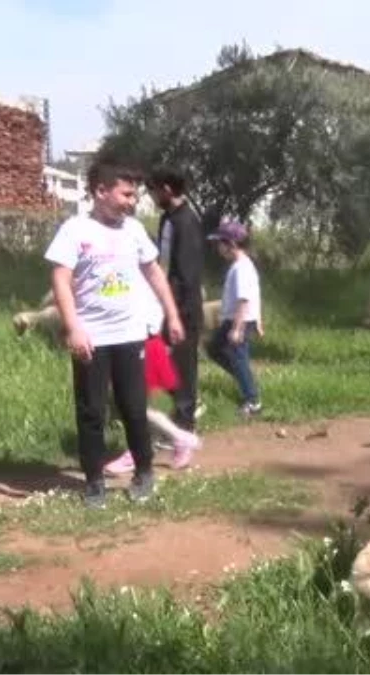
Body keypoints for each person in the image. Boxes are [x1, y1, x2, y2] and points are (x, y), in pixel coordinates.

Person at [44, 161, 185, 509]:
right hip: (91, 336)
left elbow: (153, 273)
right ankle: (94, 483)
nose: (132, 201)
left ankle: (145, 472)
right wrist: (74, 327)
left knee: (134, 409)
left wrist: (172, 313)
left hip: (130, 334)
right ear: (100, 192)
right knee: (91, 411)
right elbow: (60, 279)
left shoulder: (135, 230)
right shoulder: (74, 230)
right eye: (125, 194)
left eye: (134, 194)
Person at [103, 281, 203, 476]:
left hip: (140, 343)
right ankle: (149, 447)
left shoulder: (139, 280)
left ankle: (175, 438)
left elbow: (144, 314)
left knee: (131, 404)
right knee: (131, 403)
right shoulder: (135, 278)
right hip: (138, 342)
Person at [146, 168, 206, 434]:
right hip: (165, 304)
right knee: (159, 359)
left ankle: (184, 424)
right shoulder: (167, 220)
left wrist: (176, 313)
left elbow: (188, 272)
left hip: (182, 308)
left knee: (183, 365)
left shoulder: (187, 222)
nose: (152, 196)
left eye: (154, 190)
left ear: (167, 189)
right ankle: (186, 407)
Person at [205, 219, 264, 418]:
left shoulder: (242, 268)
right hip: (237, 319)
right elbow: (254, 295)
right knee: (213, 348)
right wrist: (259, 320)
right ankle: (245, 379)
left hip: (239, 320)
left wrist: (237, 328)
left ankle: (253, 401)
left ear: (230, 244)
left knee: (238, 358)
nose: (217, 248)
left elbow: (244, 299)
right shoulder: (240, 265)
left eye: (219, 243)